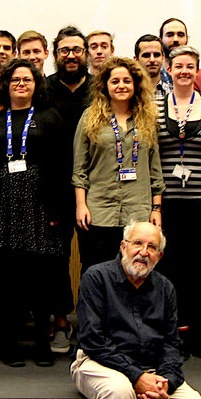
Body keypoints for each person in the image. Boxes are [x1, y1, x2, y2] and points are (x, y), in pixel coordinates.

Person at [0, 59, 68, 366]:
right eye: (15, 80)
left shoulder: (51, 118)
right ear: (6, 86)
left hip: (39, 204)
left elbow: (62, 165)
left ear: (37, 85)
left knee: (40, 277)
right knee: (5, 279)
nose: (21, 84)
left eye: (28, 80)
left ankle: (40, 345)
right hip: (0, 206)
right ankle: (6, 344)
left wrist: (57, 208)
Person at [71, 221, 201, 399]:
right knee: (119, 390)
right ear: (123, 247)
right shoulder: (96, 277)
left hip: (149, 368)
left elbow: (172, 344)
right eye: (137, 244)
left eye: (152, 247)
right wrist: (136, 376)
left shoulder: (165, 288)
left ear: (159, 256)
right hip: (98, 364)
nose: (143, 252)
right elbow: (92, 340)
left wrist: (166, 382)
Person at [153, 46, 201, 361]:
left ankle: (197, 333)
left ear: (197, 70)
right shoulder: (154, 107)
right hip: (166, 203)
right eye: (178, 65)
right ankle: (170, 336)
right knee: (168, 267)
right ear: (169, 68)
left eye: (189, 66)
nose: (183, 71)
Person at [74, 57, 164, 268]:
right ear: (105, 85)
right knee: (97, 271)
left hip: (138, 212)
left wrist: (156, 209)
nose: (121, 86)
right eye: (115, 81)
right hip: (99, 211)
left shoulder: (148, 118)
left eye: (127, 81)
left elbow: (154, 169)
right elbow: (80, 168)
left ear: (135, 85)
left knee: (134, 274)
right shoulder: (90, 117)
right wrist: (81, 205)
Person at [44, 26, 91, 355]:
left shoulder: (99, 89)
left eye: (77, 49)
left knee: (94, 260)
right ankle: (60, 322)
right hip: (54, 187)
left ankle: (91, 325)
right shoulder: (42, 90)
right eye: (65, 50)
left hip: (95, 187)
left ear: (86, 52)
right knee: (56, 259)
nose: (71, 55)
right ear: (54, 53)